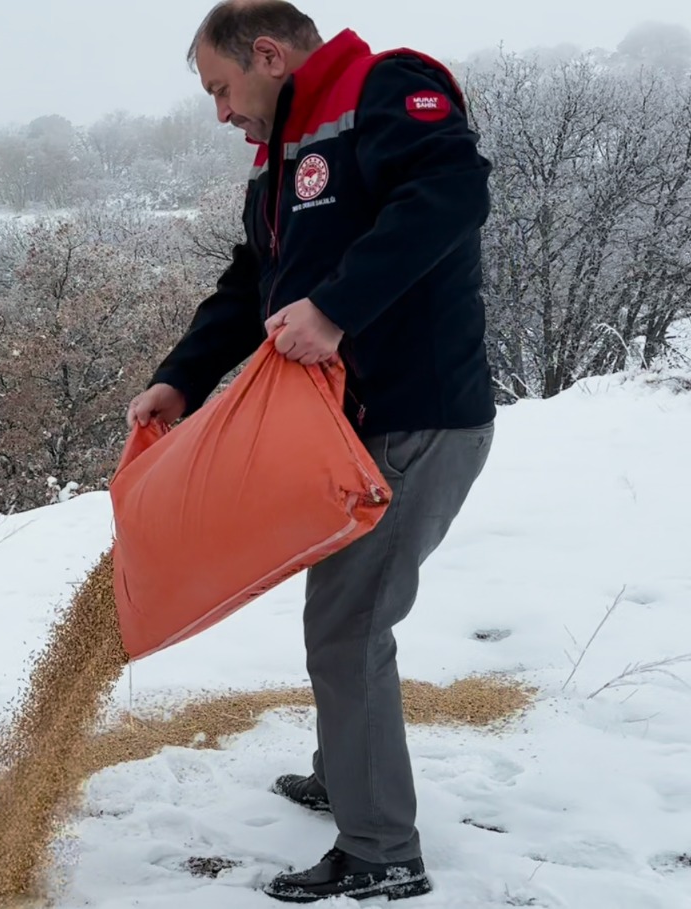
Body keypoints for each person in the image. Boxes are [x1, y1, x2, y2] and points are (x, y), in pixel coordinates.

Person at [125, 0, 497, 902]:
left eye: (221, 89)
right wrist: (182, 377)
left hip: (418, 416)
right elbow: (252, 279)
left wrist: (337, 309)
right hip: (346, 428)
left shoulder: (385, 88)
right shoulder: (283, 160)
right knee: (341, 610)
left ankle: (380, 849)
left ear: (267, 53)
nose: (221, 113)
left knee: (349, 625)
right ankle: (348, 774)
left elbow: (452, 193)